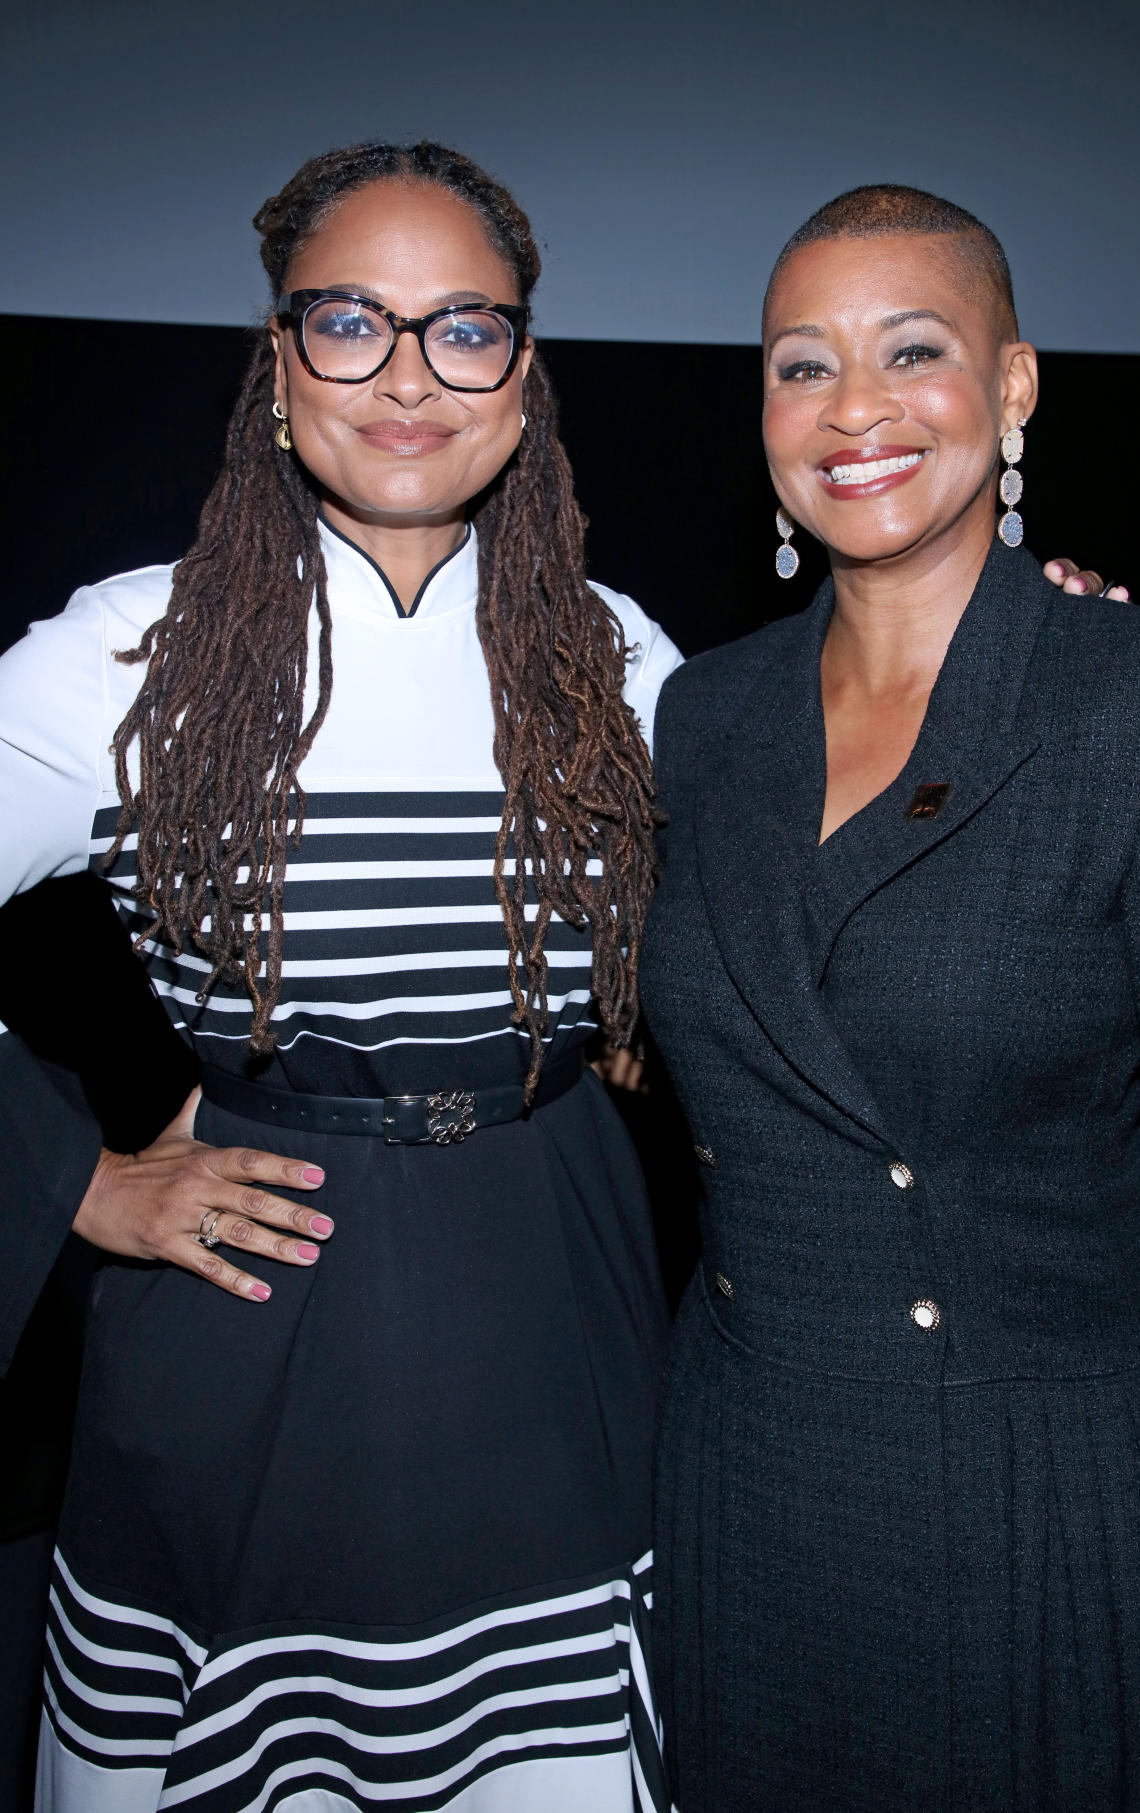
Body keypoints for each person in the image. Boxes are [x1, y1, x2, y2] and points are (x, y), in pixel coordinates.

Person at [0, 139, 682, 1811]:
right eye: (348, 321)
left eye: (464, 327)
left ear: (522, 376)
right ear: (277, 363)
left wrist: (1016, 650)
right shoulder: (117, 654)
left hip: (551, 1311)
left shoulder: (621, 659)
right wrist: (68, 1177)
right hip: (242, 1338)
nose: (406, 374)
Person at [641, 184, 1140, 1812]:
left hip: (1037, 1496)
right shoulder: (698, 714)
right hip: (749, 1486)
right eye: (798, 365)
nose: (851, 411)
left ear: (1017, 382)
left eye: (912, 351)